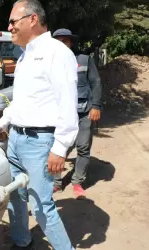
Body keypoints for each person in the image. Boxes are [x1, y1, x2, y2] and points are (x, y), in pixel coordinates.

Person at [0, 1, 79, 249]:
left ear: (32, 20)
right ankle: (22, 241)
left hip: (39, 143)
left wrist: (60, 148)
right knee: (14, 195)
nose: (9, 27)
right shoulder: (25, 55)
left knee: (41, 207)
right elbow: (23, 100)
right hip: (16, 139)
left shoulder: (56, 52)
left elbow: (67, 103)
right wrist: (4, 122)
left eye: (12, 21)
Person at [52, 28, 102, 198]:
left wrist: (96, 106)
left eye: (64, 40)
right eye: (58, 40)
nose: (61, 44)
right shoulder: (50, 62)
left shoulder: (84, 59)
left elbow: (95, 82)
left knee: (83, 147)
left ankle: (77, 182)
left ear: (71, 42)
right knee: (58, 147)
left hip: (84, 112)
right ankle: (56, 183)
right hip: (60, 113)